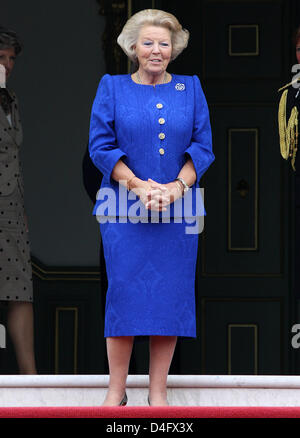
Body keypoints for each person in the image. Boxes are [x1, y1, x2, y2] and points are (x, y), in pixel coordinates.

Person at [89, 9, 214, 406]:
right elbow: (100, 147)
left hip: (178, 213)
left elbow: (203, 148)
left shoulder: (191, 89)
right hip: (124, 211)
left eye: (164, 43)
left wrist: (177, 188)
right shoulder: (112, 87)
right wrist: (140, 186)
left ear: (174, 49)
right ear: (133, 48)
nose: (156, 50)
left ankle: (157, 393)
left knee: (169, 296)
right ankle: (116, 390)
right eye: (148, 42)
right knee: (124, 293)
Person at [0, 26, 36, 374]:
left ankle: (32, 379)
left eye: (11, 59)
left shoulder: (11, 100)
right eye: (1, 57)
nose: (8, 65)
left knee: (20, 288)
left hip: (10, 206)